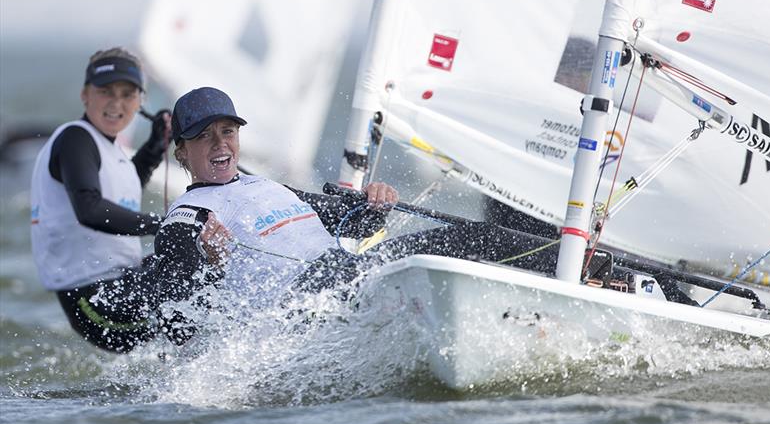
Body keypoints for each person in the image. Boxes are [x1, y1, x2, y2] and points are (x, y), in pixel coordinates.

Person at [153, 87, 560, 323]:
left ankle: (571, 272)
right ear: (183, 153)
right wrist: (209, 260)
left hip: (347, 275)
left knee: (468, 237)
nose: (220, 144)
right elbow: (174, 272)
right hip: (305, 303)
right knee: (444, 253)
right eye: (204, 137)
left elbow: (352, 222)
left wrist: (374, 205)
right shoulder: (189, 214)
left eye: (227, 131)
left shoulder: (266, 185)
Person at [30, 47, 173, 353]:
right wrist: (162, 225)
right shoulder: (75, 139)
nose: (116, 103)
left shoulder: (107, 149)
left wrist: (154, 146)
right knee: (191, 285)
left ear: (139, 101)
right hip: (93, 302)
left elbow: (122, 186)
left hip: (123, 283)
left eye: (127, 94)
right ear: (85, 95)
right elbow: (90, 209)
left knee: (194, 260)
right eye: (106, 91)